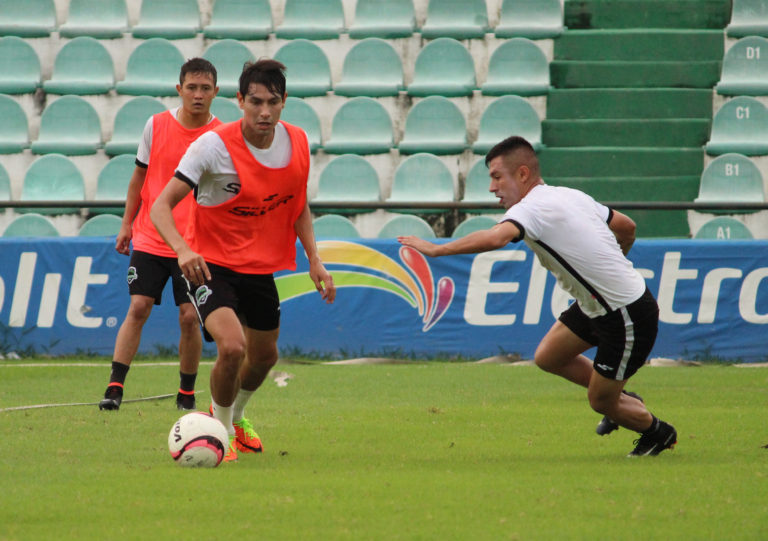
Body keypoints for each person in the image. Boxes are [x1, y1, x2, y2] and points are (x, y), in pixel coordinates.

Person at [398, 135, 677, 457]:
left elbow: (497, 237)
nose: (492, 187)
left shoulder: (531, 209)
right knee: (549, 357)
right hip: (601, 304)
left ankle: (657, 431)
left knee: (599, 401)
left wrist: (438, 249)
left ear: (523, 174)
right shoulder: (568, 195)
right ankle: (623, 399)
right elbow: (627, 227)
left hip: (625, 313)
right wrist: (613, 265)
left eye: (496, 176)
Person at [150, 59, 336, 462]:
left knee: (266, 356)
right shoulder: (212, 146)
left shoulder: (298, 142)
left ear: (284, 102)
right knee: (232, 347)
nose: (264, 112)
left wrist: (314, 259)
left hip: (258, 267)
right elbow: (161, 206)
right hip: (209, 265)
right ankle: (220, 430)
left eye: (273, 102)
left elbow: (297, 204)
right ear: (239, 100)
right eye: (255, 102)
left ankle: (237, 417)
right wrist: (183, 249)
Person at [98, 58, 221, 412]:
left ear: (216, 92)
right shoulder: (156, 125)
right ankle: (115, 387)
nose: (198, 95)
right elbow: (139, 178)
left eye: (205, 88)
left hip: (194, 244)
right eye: (192, 88)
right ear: (179, 89)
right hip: (152, 236)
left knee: (188, 316)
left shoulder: (222, 135)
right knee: (138, 307)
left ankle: (185, 394)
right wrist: (126, 224)